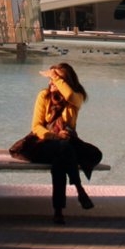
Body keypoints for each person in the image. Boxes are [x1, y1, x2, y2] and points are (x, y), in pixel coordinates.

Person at [28, 63, 94, 225]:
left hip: (67, 145)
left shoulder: (77, 97)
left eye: (57, 79)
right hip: (44, 142)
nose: (52, 82)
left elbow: (70, 96)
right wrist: (54, 136)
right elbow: (36, 126)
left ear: (67, 81)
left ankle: (58, 211)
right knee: (63, 149)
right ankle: (79, 188)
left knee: (61, 160)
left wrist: (56, 78)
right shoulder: (43, 96)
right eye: (51, 78)